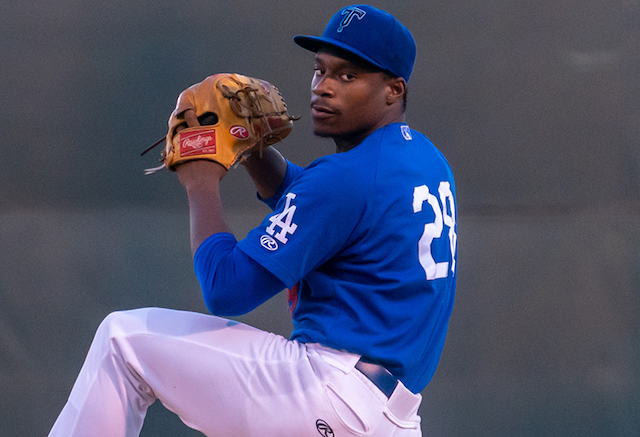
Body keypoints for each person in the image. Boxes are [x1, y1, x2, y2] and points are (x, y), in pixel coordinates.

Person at [48, 4, 457, 437]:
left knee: (122, 341)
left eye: (347, 76)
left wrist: (200, 183)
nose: (324, 88)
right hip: (393, 415)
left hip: (328, 394)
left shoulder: (345, 179)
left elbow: (227, 289)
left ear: (393, 89)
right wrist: (254, 149)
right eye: (320, 71)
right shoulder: (424, 160)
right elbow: (326, 208)